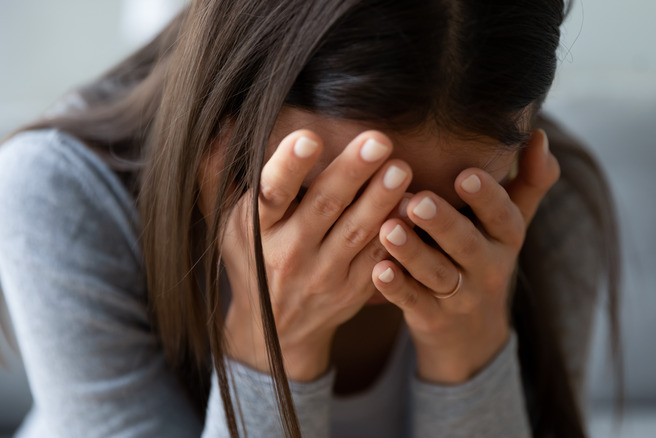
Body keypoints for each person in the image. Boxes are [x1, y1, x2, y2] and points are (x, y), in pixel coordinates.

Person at [0, 0, 620, 437]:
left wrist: (472, 348)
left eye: (451, 212)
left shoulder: (548, 204)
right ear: (228, 104)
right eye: (339, 199)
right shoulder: (59, 192)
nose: (385, 252)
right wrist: (271, 345)